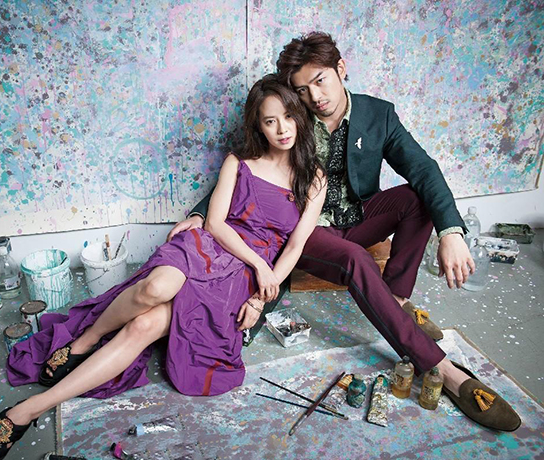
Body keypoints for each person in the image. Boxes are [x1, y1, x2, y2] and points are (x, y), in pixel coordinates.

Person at [168, 32, 520, 432]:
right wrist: (200, 215)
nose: (314, 96)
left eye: (320, 81)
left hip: (358, 217)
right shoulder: (292, 117)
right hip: (306, 230)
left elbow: (423, 169)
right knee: (354, 259)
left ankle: (396, 300)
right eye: (303, 89)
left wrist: (451, 232)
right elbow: (249, 166)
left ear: (341, 69)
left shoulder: (378, 114)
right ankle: (444, 370)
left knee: (416, 198)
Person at [0, 75, 327, 459]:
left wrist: (259, 296)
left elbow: (295, 246)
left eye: (288, 116)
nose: (282, 129)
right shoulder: (239, 163)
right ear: (259, 126)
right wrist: (258, 263)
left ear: (299, 116)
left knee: (143, 326)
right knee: (155, 288)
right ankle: (83, 342)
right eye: (270, 121)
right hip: (214, 246)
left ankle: (27, 411)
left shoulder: (313, 178)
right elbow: (216, 223)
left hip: (240, 278)